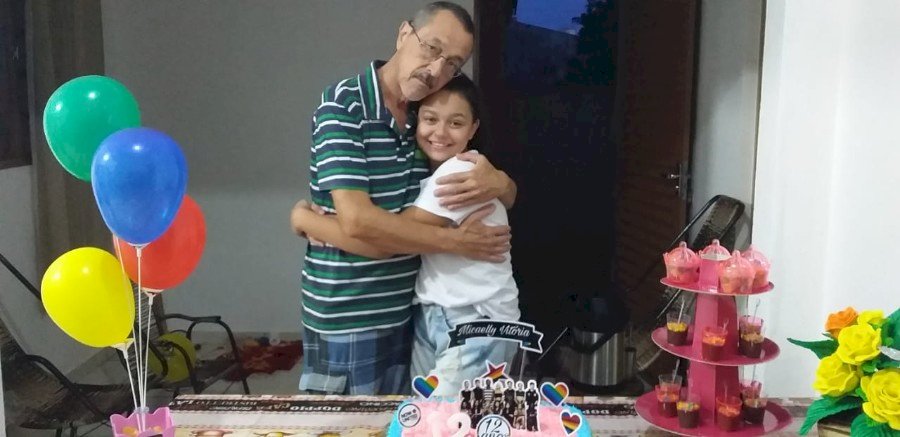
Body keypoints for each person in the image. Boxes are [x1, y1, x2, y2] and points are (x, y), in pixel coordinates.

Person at [292, 1, 517, 396]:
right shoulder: (344, 106)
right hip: (350, 315)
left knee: (415, 418)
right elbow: (362, 224)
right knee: (352, 422)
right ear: (403, 34)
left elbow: (492, 194)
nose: (436, 69)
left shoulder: (422, 115)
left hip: (408, 313)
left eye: (452, 63)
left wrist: (500, 182)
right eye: (432, 48)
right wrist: (454, 241)